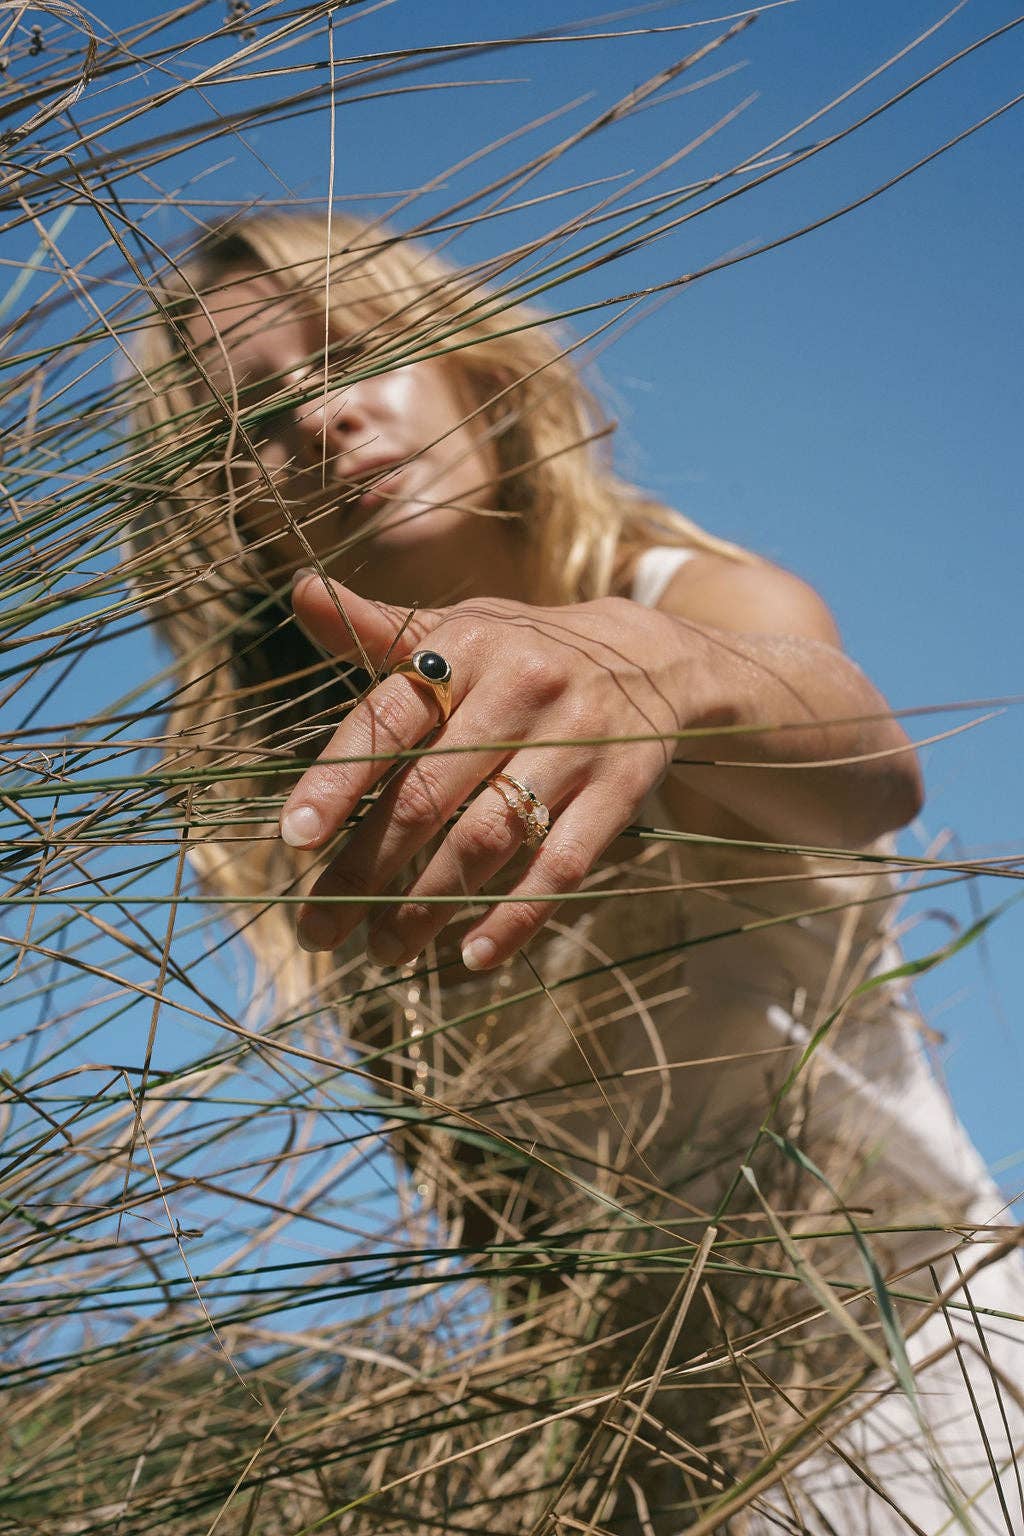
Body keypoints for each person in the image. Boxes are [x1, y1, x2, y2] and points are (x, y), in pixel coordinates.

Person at [131, 212, 1023, 1532]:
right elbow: (488, 1202)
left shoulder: (676, 595)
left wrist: (652, 673)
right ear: (232, 517)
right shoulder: (308, 806)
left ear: (473, 374)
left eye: (355, 353)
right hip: (649, 1465)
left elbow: (867, 760)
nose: (322, 421)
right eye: (255, 416)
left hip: (923, 1366)